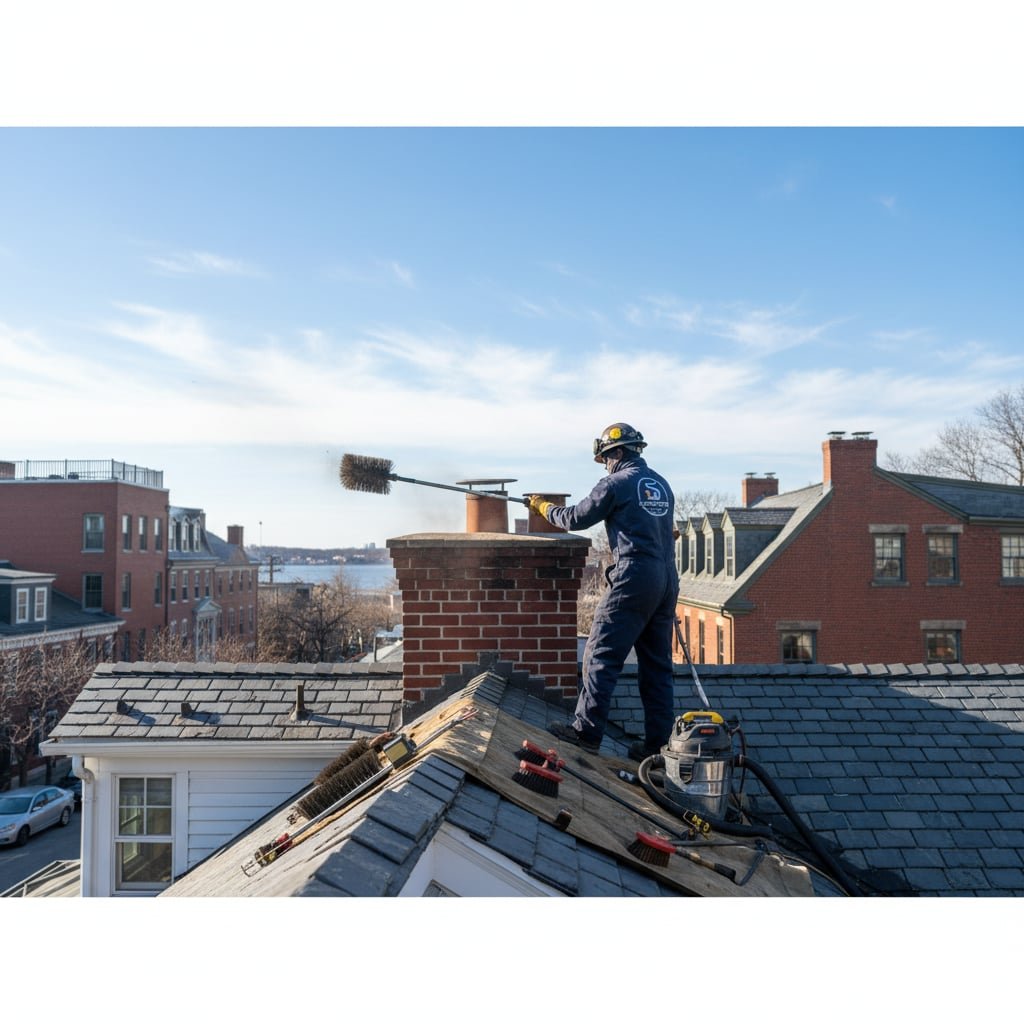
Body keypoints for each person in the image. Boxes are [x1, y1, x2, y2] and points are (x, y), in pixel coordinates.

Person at [529, 422, 679, 761]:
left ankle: (586, 731)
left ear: (617, 453)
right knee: (656, 667)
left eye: (606, 459)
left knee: (600, 654)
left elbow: (574, 518)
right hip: (666, 579)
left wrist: (542, 508)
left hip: (635, 576)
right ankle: (658, 746)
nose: (605, 465)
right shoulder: (660, 484)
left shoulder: (616, 482)